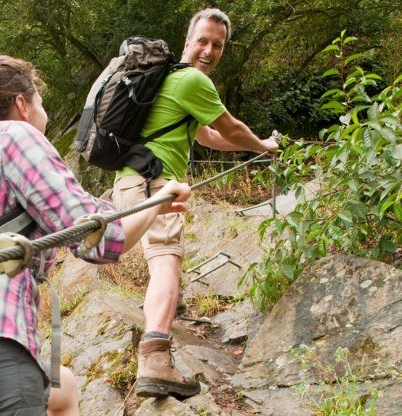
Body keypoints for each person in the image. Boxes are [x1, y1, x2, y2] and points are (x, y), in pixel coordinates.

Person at [0, 55, 191, 416]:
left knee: (64, 388)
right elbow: (102, 241)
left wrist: (139, 204)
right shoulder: (14, 136)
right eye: (41, 103)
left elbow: (85, 209)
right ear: (21, 104)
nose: (43, 112)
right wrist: (156, 202)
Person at [111, 8, 279, 399]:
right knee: (167, 260)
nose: (209, 50)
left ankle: (170, 308)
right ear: (187, 42)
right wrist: (264, 145)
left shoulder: (169, 80)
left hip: (131, 178)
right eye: (202, 41)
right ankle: (154, 358)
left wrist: (247, 147)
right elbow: (231, 128)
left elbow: (207, 136)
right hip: (157, 182)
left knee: (162, 262)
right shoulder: (191, 80)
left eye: (217, 45)